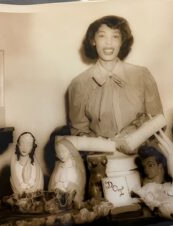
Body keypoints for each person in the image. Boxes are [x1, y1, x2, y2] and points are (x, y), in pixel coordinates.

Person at [68, 15, 163, 145]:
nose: (109, 42)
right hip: (101, 161)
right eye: (102, 36)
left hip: (143, 157)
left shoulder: (142, 75)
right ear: (93, 40)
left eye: (115, 36)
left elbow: (158, 123)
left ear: (122, 41)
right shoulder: (78, 84)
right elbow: (79, 132)